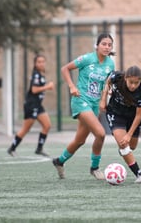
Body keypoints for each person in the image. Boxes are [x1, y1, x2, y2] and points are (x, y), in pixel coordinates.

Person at [52, 33, 115, 180]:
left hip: (94, 104)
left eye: (109, 45)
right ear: (97, 45)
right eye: (104, 44)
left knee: (80, 140)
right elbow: (65, 69)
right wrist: (71, 86)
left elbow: (107, 83)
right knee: (100, 133)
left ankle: (59, 161)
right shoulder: (87, 58)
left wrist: (103, 99)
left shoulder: (110, 64)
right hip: (80, 101)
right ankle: (95, 168)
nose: (106, 47)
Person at [100, 66, 141, 183]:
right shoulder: (117, 76)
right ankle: (139, 174)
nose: (133, 86)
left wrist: (129, 134)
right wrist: (104, 97)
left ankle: (124, 150)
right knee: (124, 145)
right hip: (115, 114)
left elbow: (139, 115)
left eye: (137, 83)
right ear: (125, 78)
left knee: (132, 146)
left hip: (132, 117)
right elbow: (108, 80)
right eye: (131, 82)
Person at [7, 55, 54, 157]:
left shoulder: (41, 75)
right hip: (31, 105)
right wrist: (48, 87)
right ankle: (12, 148)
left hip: (38, 105)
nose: (41, 64)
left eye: (43, 61)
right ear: (35, 64)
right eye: (39, 62)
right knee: (26, 129)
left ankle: (39, 148)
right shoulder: (36, 75)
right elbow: (34, 90)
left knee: (47, 125)